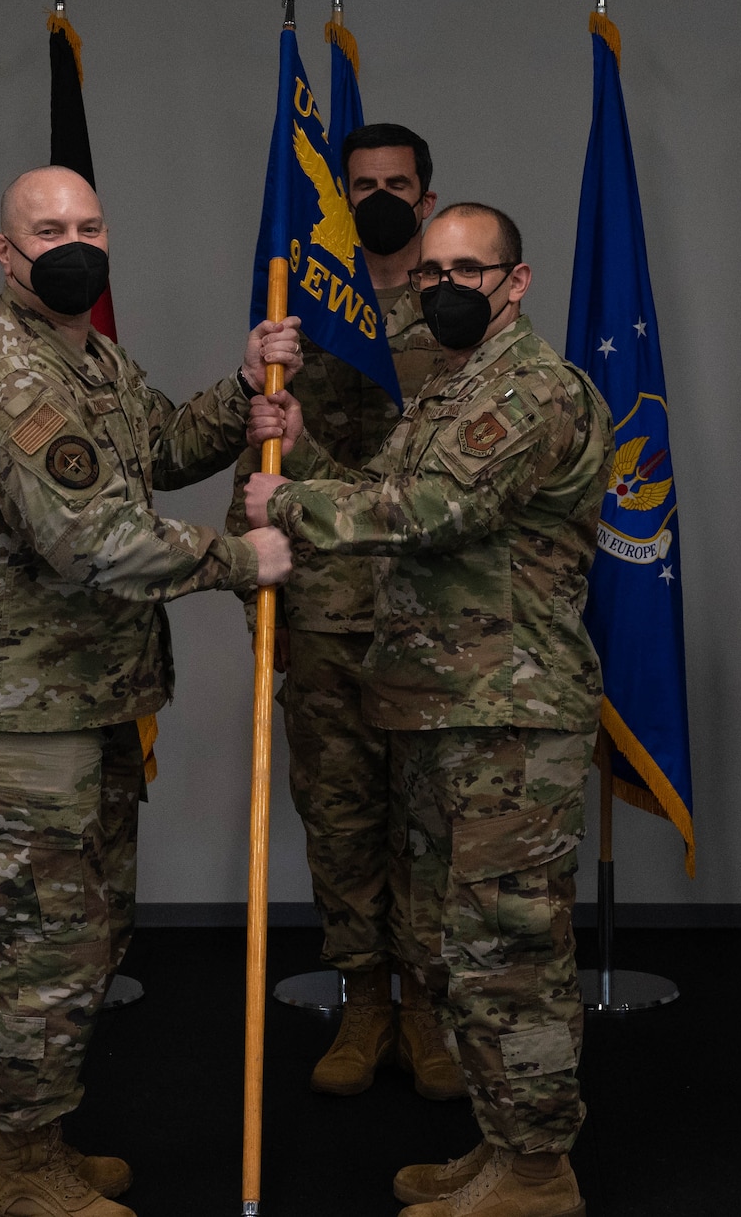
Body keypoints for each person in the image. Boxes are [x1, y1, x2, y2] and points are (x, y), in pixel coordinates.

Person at [0, 165, 300, 1217]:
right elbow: (93, 542)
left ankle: (7, 1137)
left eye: (88, 223)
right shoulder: (12, 377)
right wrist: (237, 559)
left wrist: (243, 389)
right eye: (46, 229)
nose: (71, 242)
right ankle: (28, 1171)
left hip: (77, 700)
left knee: (82, 934)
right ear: (6, 253)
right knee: (48, 946)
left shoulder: (84, 356)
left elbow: (155, 447)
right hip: (13, 713)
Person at [245, 202, 611, 1217]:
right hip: (446, 708)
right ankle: (502, 1143)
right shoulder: (455, 388)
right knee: (464, 946)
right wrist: (304, 452)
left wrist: (287, 506)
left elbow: (438, 511)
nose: (442, 285)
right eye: (432, 269)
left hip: (508, 714)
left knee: (509, 947)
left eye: (468, 269)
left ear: (515, 282)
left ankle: (537, 1167)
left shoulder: (531, 388)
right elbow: (386, 490)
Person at [223, 122, 456, 1098]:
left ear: (428, 198)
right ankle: (363, 1000)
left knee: (431, 823)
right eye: (359, 184)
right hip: (323, 616)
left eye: (396, 183)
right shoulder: (300, 318)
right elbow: (256, 474)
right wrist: (256, 596)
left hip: (429, 615)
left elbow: (448, 477)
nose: (378, 198)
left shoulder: (458, 322)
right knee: (341, 819)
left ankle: (426, 1009)